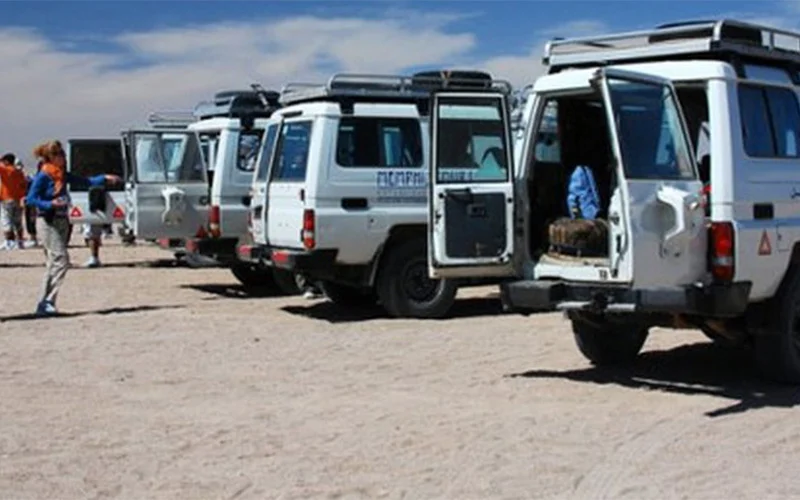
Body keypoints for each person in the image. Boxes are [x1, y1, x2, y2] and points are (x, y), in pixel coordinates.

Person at [26, 140, 122, 316]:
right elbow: (31, 198)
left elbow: (84, 181)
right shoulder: (43, 176)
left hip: (62, 220)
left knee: (52, 264)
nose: (63, 158)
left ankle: (46, 302)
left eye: (63, 154)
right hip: (47, 221)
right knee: (61, 260)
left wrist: (105, 178)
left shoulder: (61, 174)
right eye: (59, 155)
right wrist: (49, 203)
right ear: (51, 157)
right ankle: (47, 300)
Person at [0, 153, 27, 250]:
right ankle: (20, 242)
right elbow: (24, 185)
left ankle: (9, 242)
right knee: (18, 222)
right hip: (18, 199)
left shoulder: (6, 170)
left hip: (6, 198)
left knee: (6, 221)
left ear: (7, 162)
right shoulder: (19, 172)